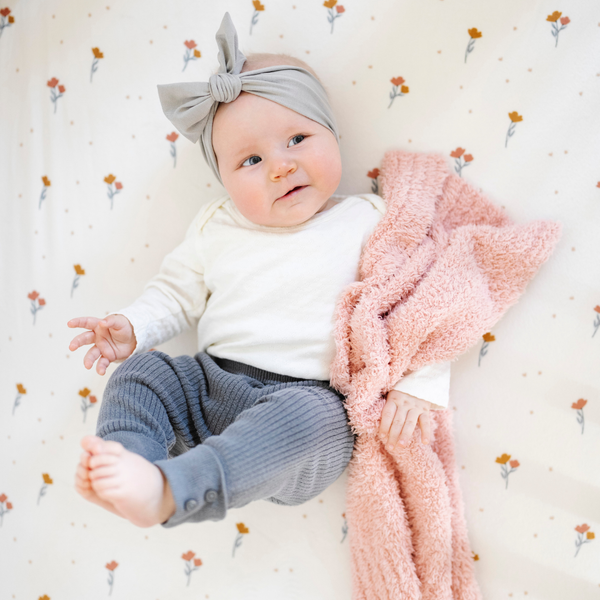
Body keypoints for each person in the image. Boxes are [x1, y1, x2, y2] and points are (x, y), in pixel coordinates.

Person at [67, 12, 451, 529]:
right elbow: (175, 293)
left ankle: (173, 492)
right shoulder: (217, 225)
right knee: (143, 373)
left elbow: (424, 308)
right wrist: (132, 327)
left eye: (296, 139)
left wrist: (421, 384)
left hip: (305, 401)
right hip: (207, 385)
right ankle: (134, 463)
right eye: (249, 160)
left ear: (332, 133)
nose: (279, 165)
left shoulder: (371, 220)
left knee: (312, 421)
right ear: (223, 181)